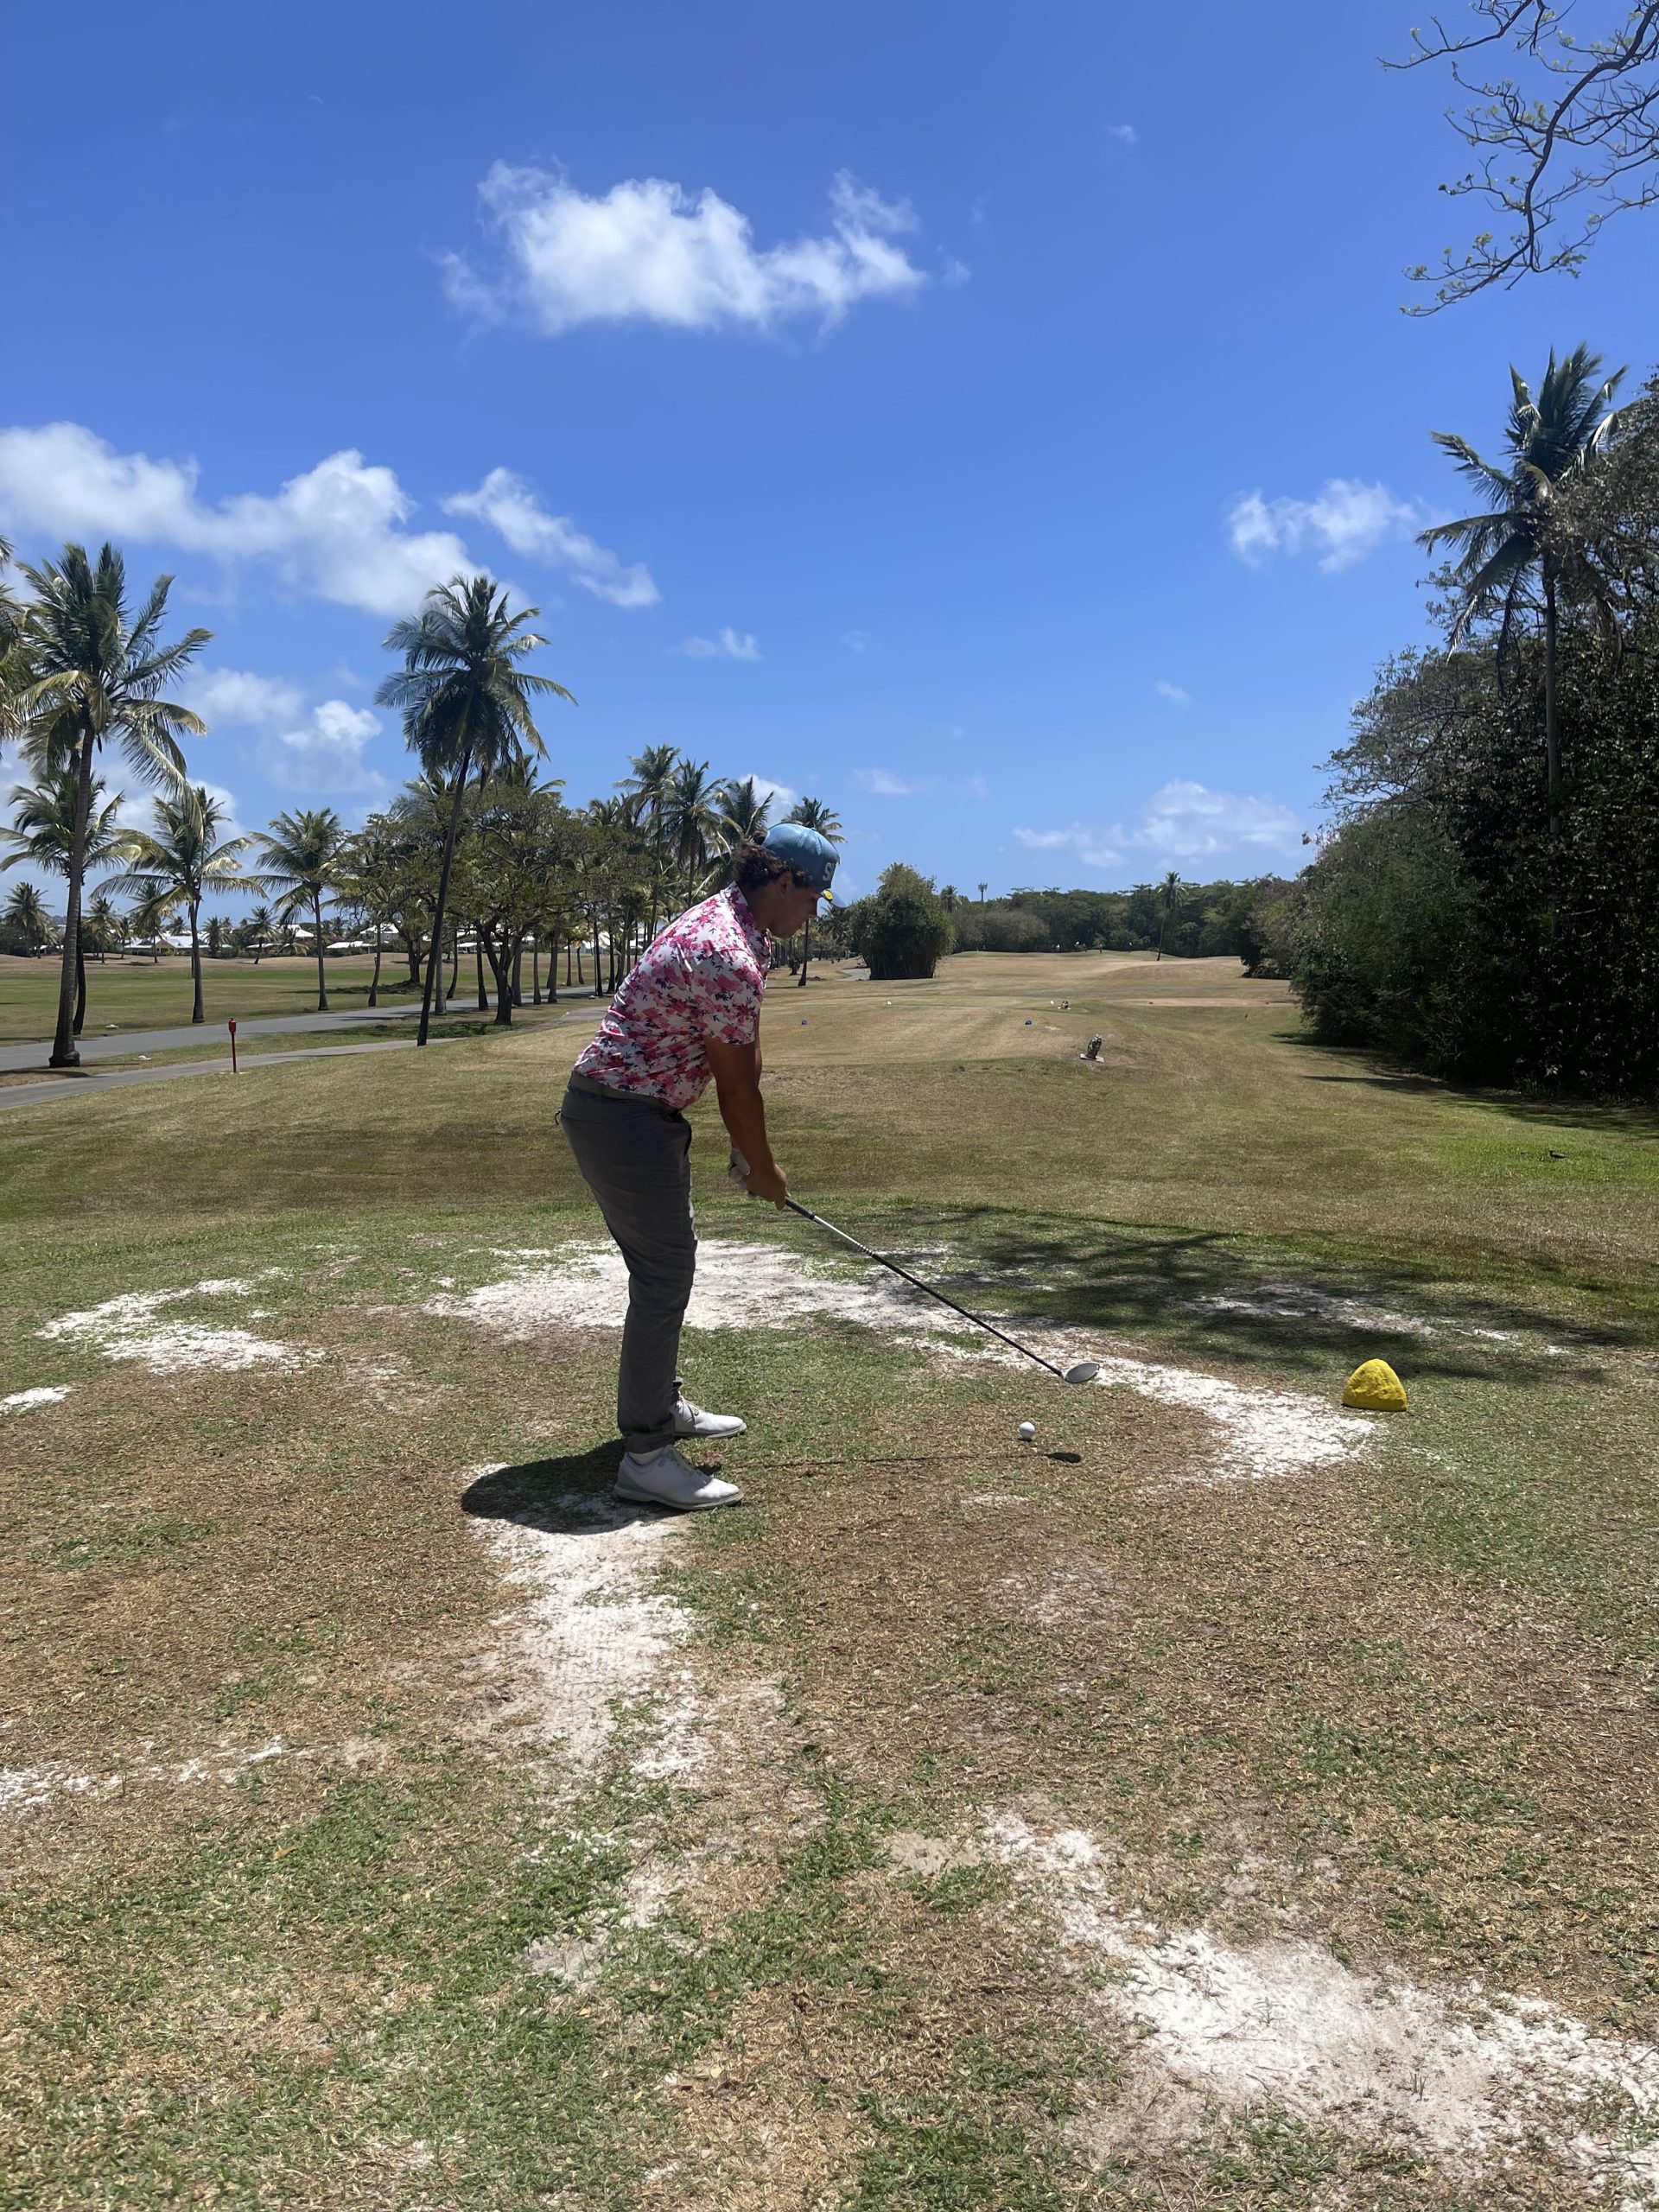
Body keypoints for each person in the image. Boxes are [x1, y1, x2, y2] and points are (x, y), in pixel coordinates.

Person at [559, 822, 839, 1511]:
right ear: (785, 882)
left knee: (667, 1263)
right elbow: (736, 1089)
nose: (815, 912)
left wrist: (748, 1151)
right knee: (664, 1275)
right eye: (814, 897)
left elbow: (743, 1051)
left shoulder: (744, 932)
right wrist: (765, 1168)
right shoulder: (725, 950)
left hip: (637, 1115)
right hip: (622, 1116)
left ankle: (660, 1405)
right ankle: (647, 1456)